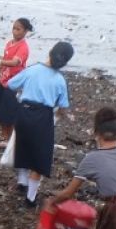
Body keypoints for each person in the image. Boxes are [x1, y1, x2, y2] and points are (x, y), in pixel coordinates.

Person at [8, 42, 74, 208]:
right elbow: (63, 107)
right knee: (39, 157)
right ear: (65, 62)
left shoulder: (32, 70)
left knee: (22, 146)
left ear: (50, 52)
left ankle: (22, 182)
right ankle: (30, 199)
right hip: (43, 116)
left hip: (24, 112)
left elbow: (11, 84)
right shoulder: (60, 80)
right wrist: (57, 117)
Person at [0, 18, 33, 144]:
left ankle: (10, 139)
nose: (15, 31)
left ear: (25, 31)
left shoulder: (23, 47)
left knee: (9, 113)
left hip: (14, 84)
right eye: (14, 28)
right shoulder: (9, 43)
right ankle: (4, 135)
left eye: (18, 29)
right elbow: (6, 59)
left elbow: (15, 62)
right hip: (3, 80)